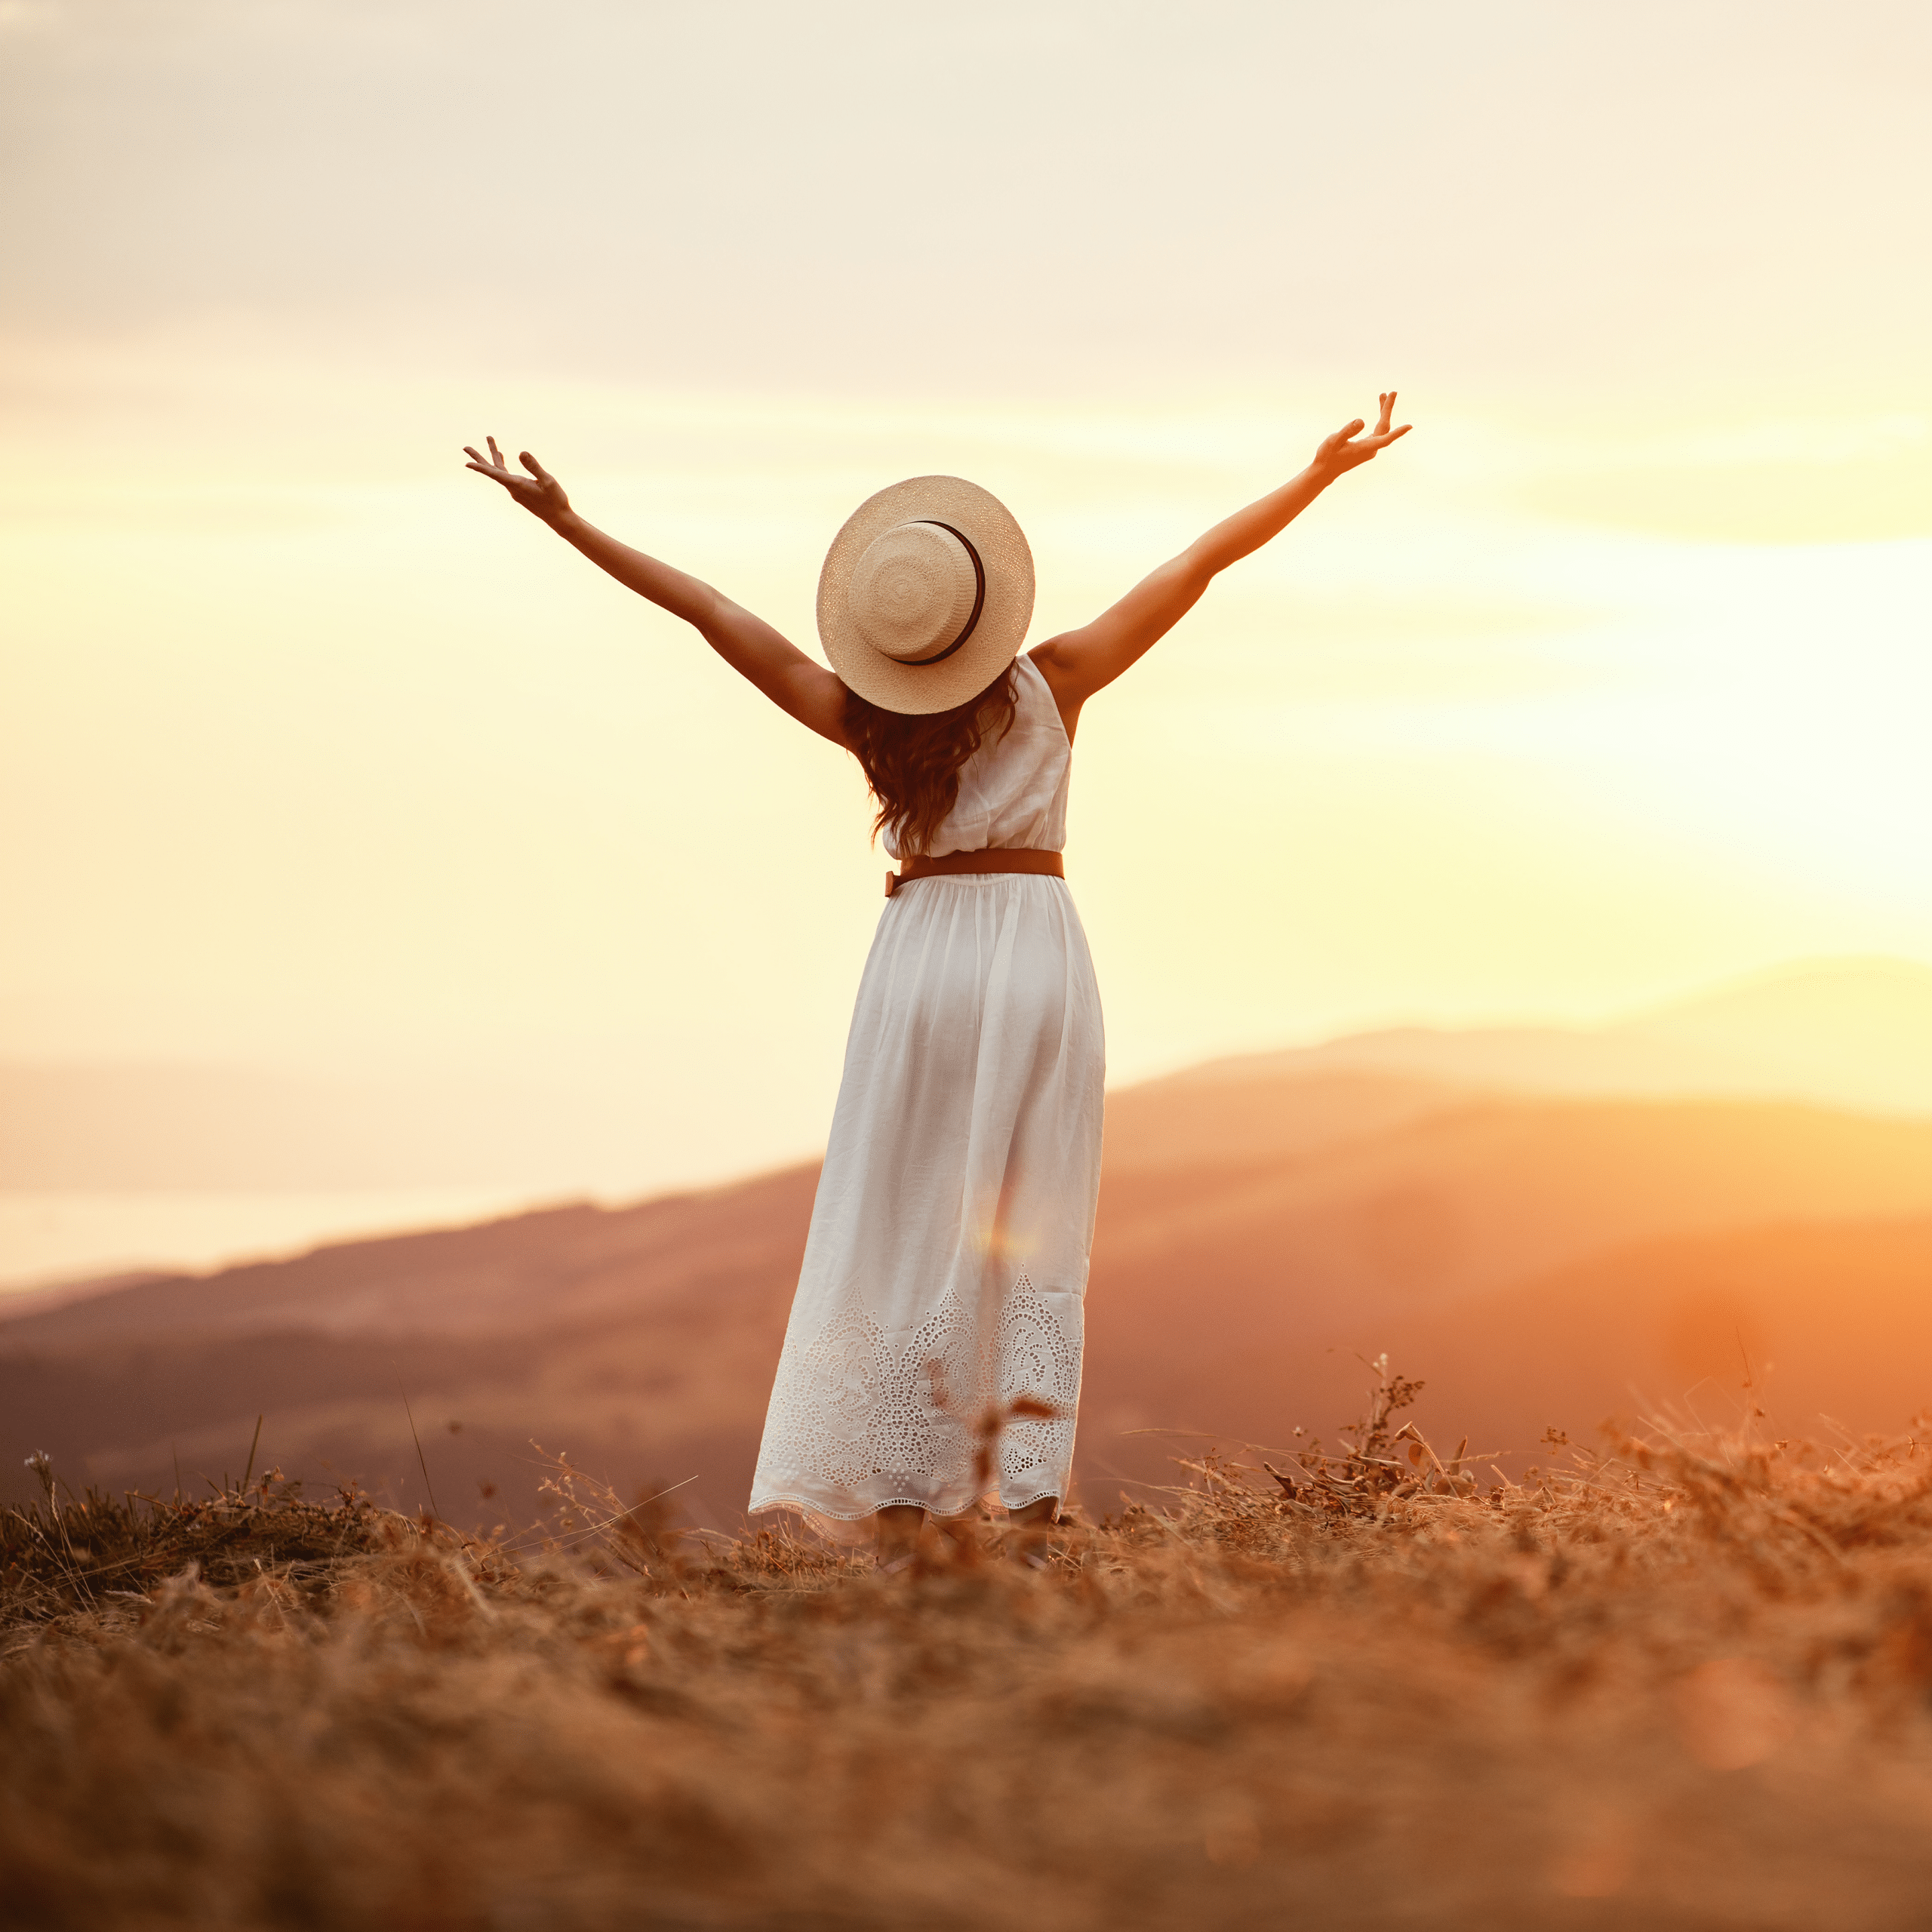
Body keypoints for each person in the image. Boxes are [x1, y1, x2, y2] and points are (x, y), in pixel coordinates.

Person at [465, 393, 1411, 1563]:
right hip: (1032, 950)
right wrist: (1318, 474)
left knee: (906, 1219)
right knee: (1033, 1223)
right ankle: (1024, 1511)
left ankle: (904, 1516)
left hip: (918, 963)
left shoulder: (862, 717)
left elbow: (708, 609)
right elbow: (1198, 562)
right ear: (984, 607)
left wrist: (569, 523)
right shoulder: (1058, 680)